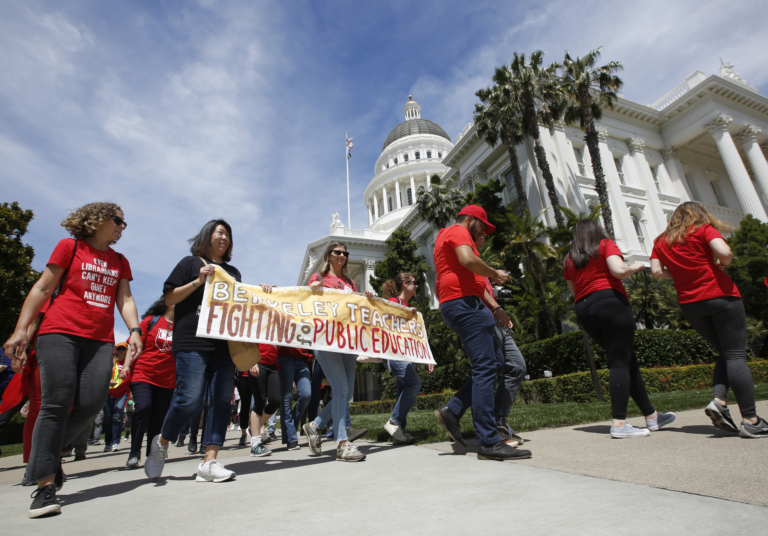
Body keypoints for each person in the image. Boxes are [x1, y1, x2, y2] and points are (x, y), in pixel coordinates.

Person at [3, 202, 142, 518]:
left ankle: (47, 455)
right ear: (97, 220)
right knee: (56, 403)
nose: (123, 225)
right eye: (117, 219)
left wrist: (134, 330)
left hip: (99, 339)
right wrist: (21, 330)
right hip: (59, 333)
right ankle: (44, 486)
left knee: (93, 403)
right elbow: (43, 287)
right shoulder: (70, 246)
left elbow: (125, 298)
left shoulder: (120, 261)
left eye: (124, 222)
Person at [650, 202, 767, 438]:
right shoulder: (703, 230)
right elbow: (725, 252)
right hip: (720, 295)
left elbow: (656, 272)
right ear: (699, 215)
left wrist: (684, 273)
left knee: (726, 354)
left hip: (690, 304)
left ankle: (719, 401)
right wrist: (722, 265)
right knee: (735, 355)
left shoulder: (661, 241)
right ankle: (751, 419)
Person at [143, 219, 240, 483]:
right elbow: (170, 298)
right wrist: (198, 281)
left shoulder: (233, 272)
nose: (225, 238)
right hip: (192, 341)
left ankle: (209, 461)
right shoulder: (189, 264)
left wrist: (263, 292)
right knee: (190, 399)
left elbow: (243, 304)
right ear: (208, 235)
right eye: (220, 232)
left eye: (228, 235)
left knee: (221, 401)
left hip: (223, 344)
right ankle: (162, 442)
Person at [432, 205, 530, 461]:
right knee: (486, 366)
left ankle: (453, 411)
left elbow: (473, 279)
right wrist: (494, 272)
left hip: (464, 301)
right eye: (483, 227)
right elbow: (467, 259)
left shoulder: (448, 235)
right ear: (471, 219)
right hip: (464, 303)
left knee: (495, 362)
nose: (484, 232)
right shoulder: (458, 230)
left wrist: (496, 307)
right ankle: (488, 440)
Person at [564, 219, 675, 439]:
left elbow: (574, 291)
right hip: (610, 301)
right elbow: (618, 271)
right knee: (619, 362)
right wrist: (635, 266)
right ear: (597, 231)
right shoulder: (604, 244)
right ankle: (619, 423)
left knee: (625, 359)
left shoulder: (569, 259)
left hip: (585, 310)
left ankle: (652, 416)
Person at [302, 241, 372, 462]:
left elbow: (354, 309)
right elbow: (305, 302)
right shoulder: (318, 278)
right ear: (329, 256)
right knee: (340, 388)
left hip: (347, 342)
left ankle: (315, 426)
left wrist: (366, 298)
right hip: (326, 340)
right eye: (337, 252)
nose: (341, 255)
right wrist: (310, 292)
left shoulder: (350, 282)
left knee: (347, 393)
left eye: (344, 253)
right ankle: (342, 443)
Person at [474, 233, 527, 444]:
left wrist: (499, 307)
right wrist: (497, 308)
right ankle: (491, 425)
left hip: (497, 320)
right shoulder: (470, 259)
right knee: (490, 369)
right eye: (481, 234)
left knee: (516, 367)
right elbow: (476, 289)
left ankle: (498, 421)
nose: (485, 237)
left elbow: (484, 289)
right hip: (487, 318)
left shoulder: (480, 262)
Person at [125, 297, 176, 468]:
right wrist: (126, 366)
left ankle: (151, 455)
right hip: (143, 374)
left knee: (158, 418)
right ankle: (134, 452)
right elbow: (132, 345)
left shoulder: (183, 327)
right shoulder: (150, 321)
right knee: (143, 408)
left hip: (168, 379)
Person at [380, 273, 425, 444]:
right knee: (414, 384)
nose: (417, 286)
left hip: (404, 353)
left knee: (403, 391)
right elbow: (385, 322)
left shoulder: (407, 305)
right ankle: (394, 422)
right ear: (405, 284)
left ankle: (399, 433)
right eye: (415, 283)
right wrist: (406, 314)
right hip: (394, 353)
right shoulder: (393, 301)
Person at [247, 344, 282, 457]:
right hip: (258, 362)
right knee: (260, 402)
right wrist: (252, 361)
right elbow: (247, 341)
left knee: (275, 400)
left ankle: (253, 428)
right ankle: (256, 445)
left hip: (272, 365)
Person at [278, 347, 314, 450]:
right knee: (286, 399)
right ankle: (291, 439)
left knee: (306, 394)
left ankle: (290, 429)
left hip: (302, 360)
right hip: (285, 358)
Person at [103, 342, 131, 452]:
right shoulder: (111, 362)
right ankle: (108, 443)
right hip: (109, 391)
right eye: (119, 348)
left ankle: (115, 442)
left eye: (123, 349)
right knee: (108, 418)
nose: (121, 351)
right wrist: (109, 382)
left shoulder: (128, 363)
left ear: (126, 351)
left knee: (118, 416)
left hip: (123, 392)